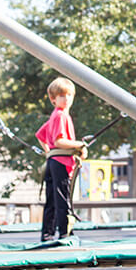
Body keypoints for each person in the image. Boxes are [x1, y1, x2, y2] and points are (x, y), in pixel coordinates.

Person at [35, 77, 87, 242]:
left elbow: (40, 135)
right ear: (53, 99)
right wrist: (79, 146)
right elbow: (59, 142)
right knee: (62, 197)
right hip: (61, 163)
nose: (67, 99)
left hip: (54, 161)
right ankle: (65, 233)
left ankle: (47, 233)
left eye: (69, 95)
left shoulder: (54, 116)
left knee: (52, 198)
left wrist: (49, 153)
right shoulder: (60, 116)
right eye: (62, 96)